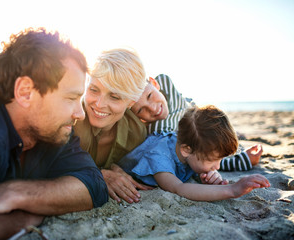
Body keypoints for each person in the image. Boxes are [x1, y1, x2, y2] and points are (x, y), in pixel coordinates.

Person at [0, 28, 108, 240]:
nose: (80, 114)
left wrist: (15, 193)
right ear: (25, 92)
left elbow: (94, 186)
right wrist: (20, 222)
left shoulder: (51, 125)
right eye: (71, 98)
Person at [118, 105, 270, 201]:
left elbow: (202, 168)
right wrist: (232, 189)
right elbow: (179, 189)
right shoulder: (159, 157)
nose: (217, 166)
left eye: (220, 159)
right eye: (211, 160)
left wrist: (209, 180)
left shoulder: (192, 151)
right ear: (186, 150)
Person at [131, 74, 263, 171]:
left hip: (191, 111)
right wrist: (242, 160)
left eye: (149, 96)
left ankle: (238, 134)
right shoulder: (160, 134)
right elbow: (204, 155)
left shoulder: (164, 82)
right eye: (141, 110)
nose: (153, 108)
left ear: (154, 84)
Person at [74, 48, 153, 204]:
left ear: (131, 102)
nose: (99, 104)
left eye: (115, 97)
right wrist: (99, 174)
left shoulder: (136, 134)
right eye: (94, 89)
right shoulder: (71, 119)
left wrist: (114, 168)